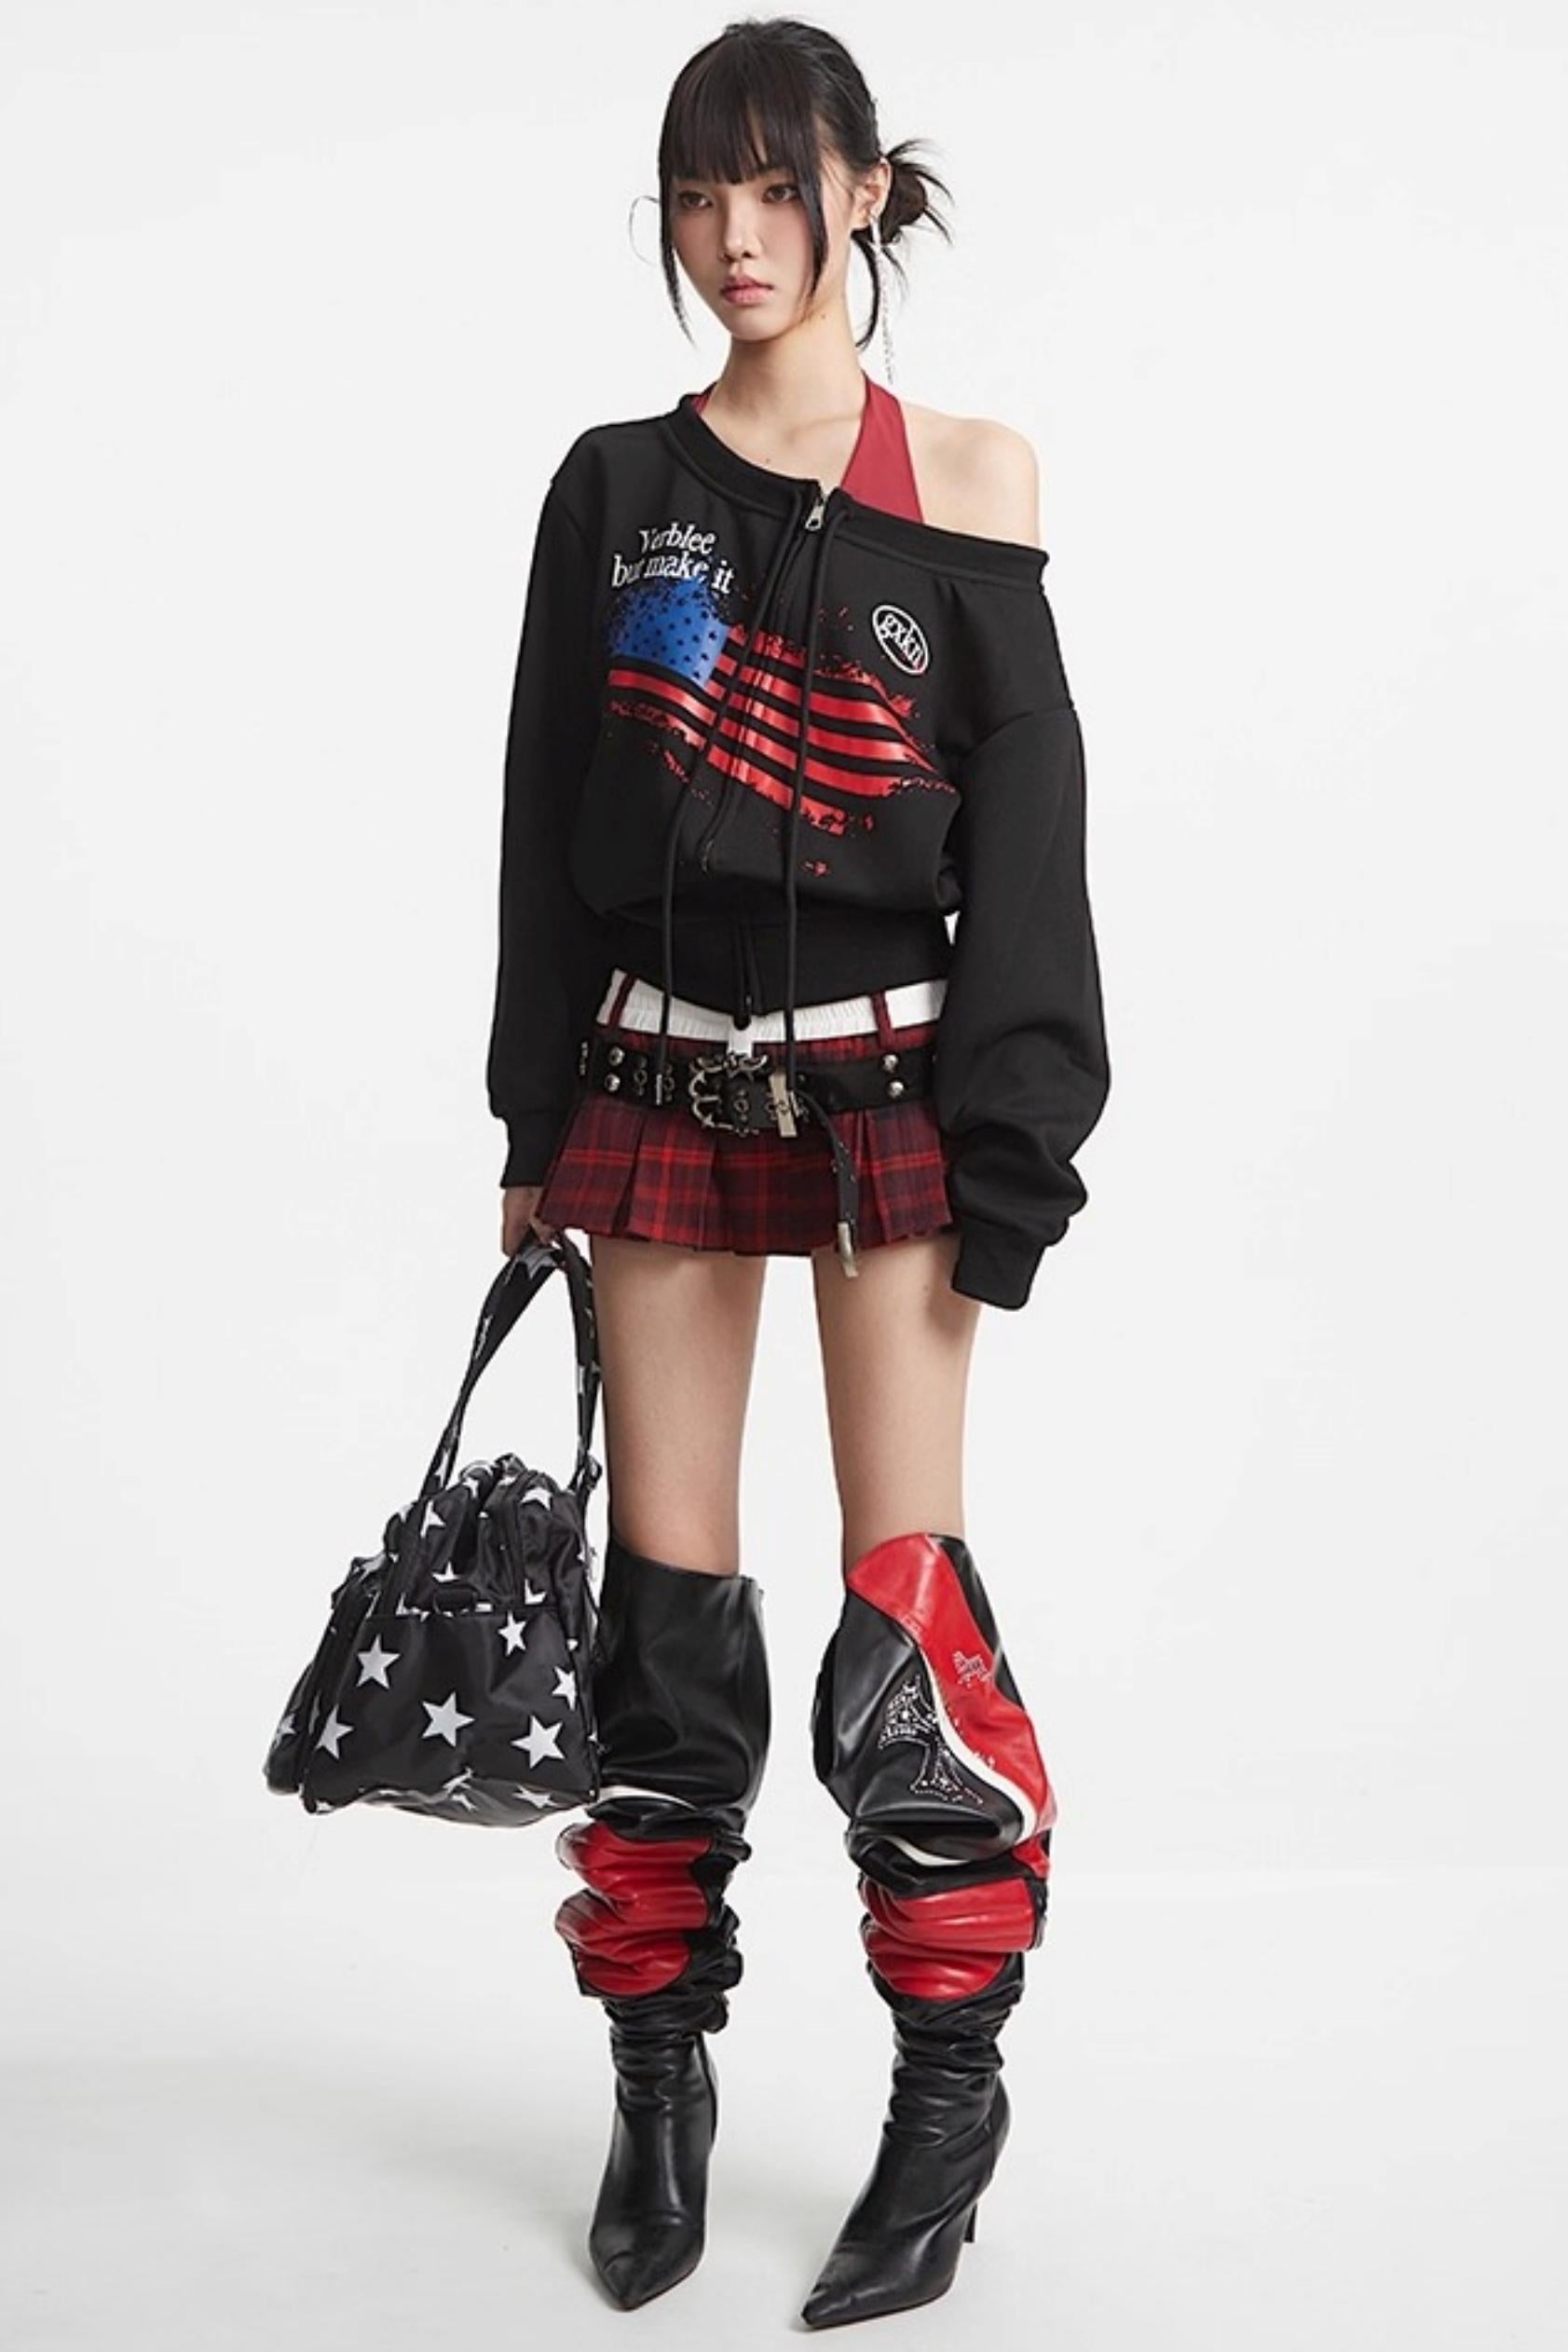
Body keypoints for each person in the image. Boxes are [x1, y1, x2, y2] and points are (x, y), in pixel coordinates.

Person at [484, 16, 1111, 2327]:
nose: (731, 238)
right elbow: (542, 818)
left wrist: (1017, 1140)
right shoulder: (612, 487)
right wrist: (527, 1118)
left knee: (899, 1621)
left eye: (771, 187)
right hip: (655, 1083)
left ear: (859, 189)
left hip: (892, 1105)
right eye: (693, 194)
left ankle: (944, 2101)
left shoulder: (969, 476)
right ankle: (655, 2084)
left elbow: (1027, 846)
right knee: (666, 1624)